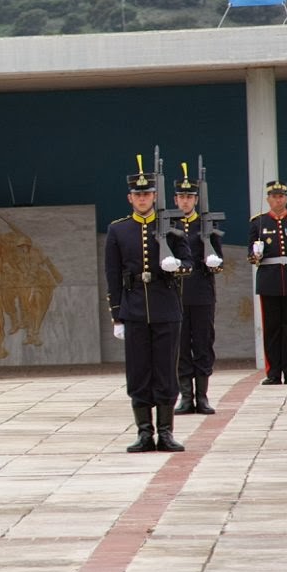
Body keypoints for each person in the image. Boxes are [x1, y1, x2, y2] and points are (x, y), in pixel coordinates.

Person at [105, 156, 192, 453]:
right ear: (130, 198)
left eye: (147, 194)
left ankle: (166, 432)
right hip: (134, 310)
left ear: (155, 196)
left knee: (166, 370)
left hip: (166, 307)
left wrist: (175, 266)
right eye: (137, 194)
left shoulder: (173, 226)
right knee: (139, 372)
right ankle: (144, 432)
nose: (142, 199)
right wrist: (117, 316)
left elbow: (189, 264)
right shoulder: (118, 230)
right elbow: (113, 275)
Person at [248, 180, 287, 385]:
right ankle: (273, 372)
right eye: (274, 196)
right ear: (268, 199)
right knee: (271, 328)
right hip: (269, 280)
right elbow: (251, 256)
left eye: (281, 196)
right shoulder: (258, 222)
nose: (278, 199)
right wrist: (255, 254)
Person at [172, 163, 224, 415]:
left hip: (202, 292)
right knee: (181, 345)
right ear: (175, 199)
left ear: (195, 199)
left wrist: (214, 262)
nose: (185, 201)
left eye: (189, 197)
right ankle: (185, 396)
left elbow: (219, 263)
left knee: (203, 343)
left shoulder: (206, 225)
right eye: (181, 197)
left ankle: (202, 396)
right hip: (176, 294)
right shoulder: (168, 226)